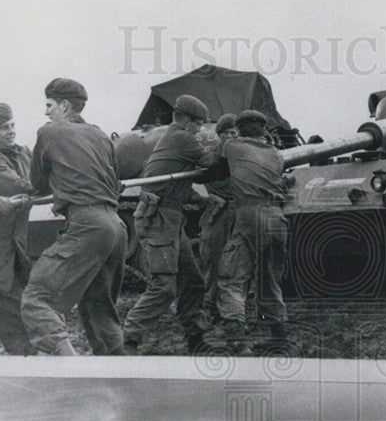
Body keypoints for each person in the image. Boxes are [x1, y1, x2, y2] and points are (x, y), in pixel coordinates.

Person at [20, 78, 127, 355]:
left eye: (49, 105)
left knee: (37, 299)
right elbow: (114, 181)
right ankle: (117, 375)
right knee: (98, 306)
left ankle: (68, 366)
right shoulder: (101, 135)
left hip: (87, 225)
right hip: (116, 226)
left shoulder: (49, 133)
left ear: (65, 105)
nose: (46, 112)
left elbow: (38, 184)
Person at [122, 94, 216, 354]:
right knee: (164, 287)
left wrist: (202, 201)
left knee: (193, 281)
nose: (199, 129)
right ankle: (128, 339)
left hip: (170, 219)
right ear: (184, 120)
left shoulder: (177, 139)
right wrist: (231, 148)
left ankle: (195, 337)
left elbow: (175, 184)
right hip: (159, 219)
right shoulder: (180, 137)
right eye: (198, 123)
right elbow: (210, 162)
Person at [213, 110, 290, 354]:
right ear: (263, 128)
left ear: (241, 128)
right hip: (277, 218)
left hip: (250, 216)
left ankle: (236, 341)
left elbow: (216, 171)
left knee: (233, 278)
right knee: (270, 281)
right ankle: (279, 338)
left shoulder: (234, 147)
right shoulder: (276, 154)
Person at [0, 103, 35, 354]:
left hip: (12, 250)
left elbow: (39, 178)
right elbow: (18, 186)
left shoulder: (21, 153)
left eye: (12, 125)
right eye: (4, 128)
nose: (11, 131)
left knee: (19, 317)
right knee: (12, 323)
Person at [198, 113, 238, 326]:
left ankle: (228, 310)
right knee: (213, 262)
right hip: (218, 212)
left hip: (238, 213)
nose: (232, 136)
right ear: (219, 135)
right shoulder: (212, 156)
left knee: (235, 265)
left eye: (234, 132)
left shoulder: (241, 154)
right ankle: (209, 308)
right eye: (227, 133)